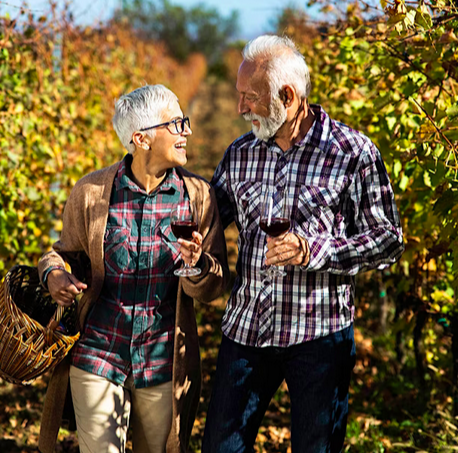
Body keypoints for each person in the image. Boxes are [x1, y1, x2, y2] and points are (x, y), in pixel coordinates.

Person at [202, 35, 404, 453]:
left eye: (249, 98)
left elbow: (387, 239)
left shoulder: (353, 154)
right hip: (247, 330)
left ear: (288, 97)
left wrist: (315, 251)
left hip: (319, 335)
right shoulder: (240, 154)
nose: (240, 109)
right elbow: (210, 218)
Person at [37, 84, 229, 453]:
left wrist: (198, 264)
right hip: (98, 352)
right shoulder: (91, 192)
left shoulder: (198, 197)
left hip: (162, 360)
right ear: (141, 138)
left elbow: (212, 288)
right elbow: (61, 254)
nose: (186, 131)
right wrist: (53, 275)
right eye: (175, 123)